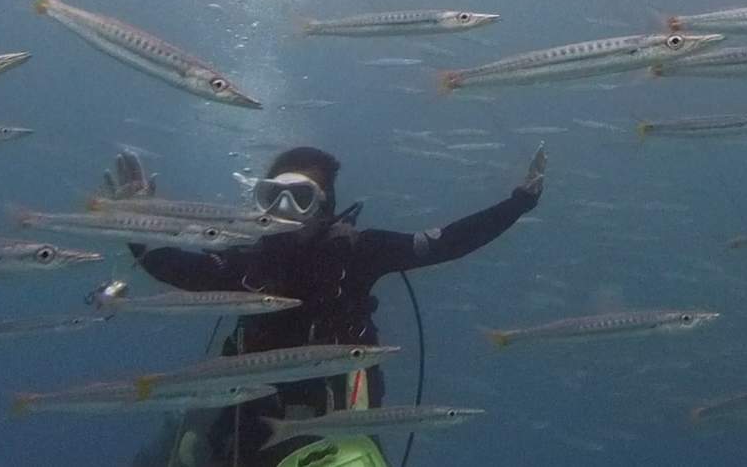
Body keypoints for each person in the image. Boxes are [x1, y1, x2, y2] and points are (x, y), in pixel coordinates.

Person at [106, 144, 546, 467]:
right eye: (271, 197)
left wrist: (517, 204)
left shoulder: (359, 253)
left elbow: (447, 242)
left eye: (300, 199)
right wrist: (134, 226)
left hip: (340, 433)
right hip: (247, 428)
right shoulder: (246, 262)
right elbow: (175, 268)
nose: (284, 211)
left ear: (326, 207)